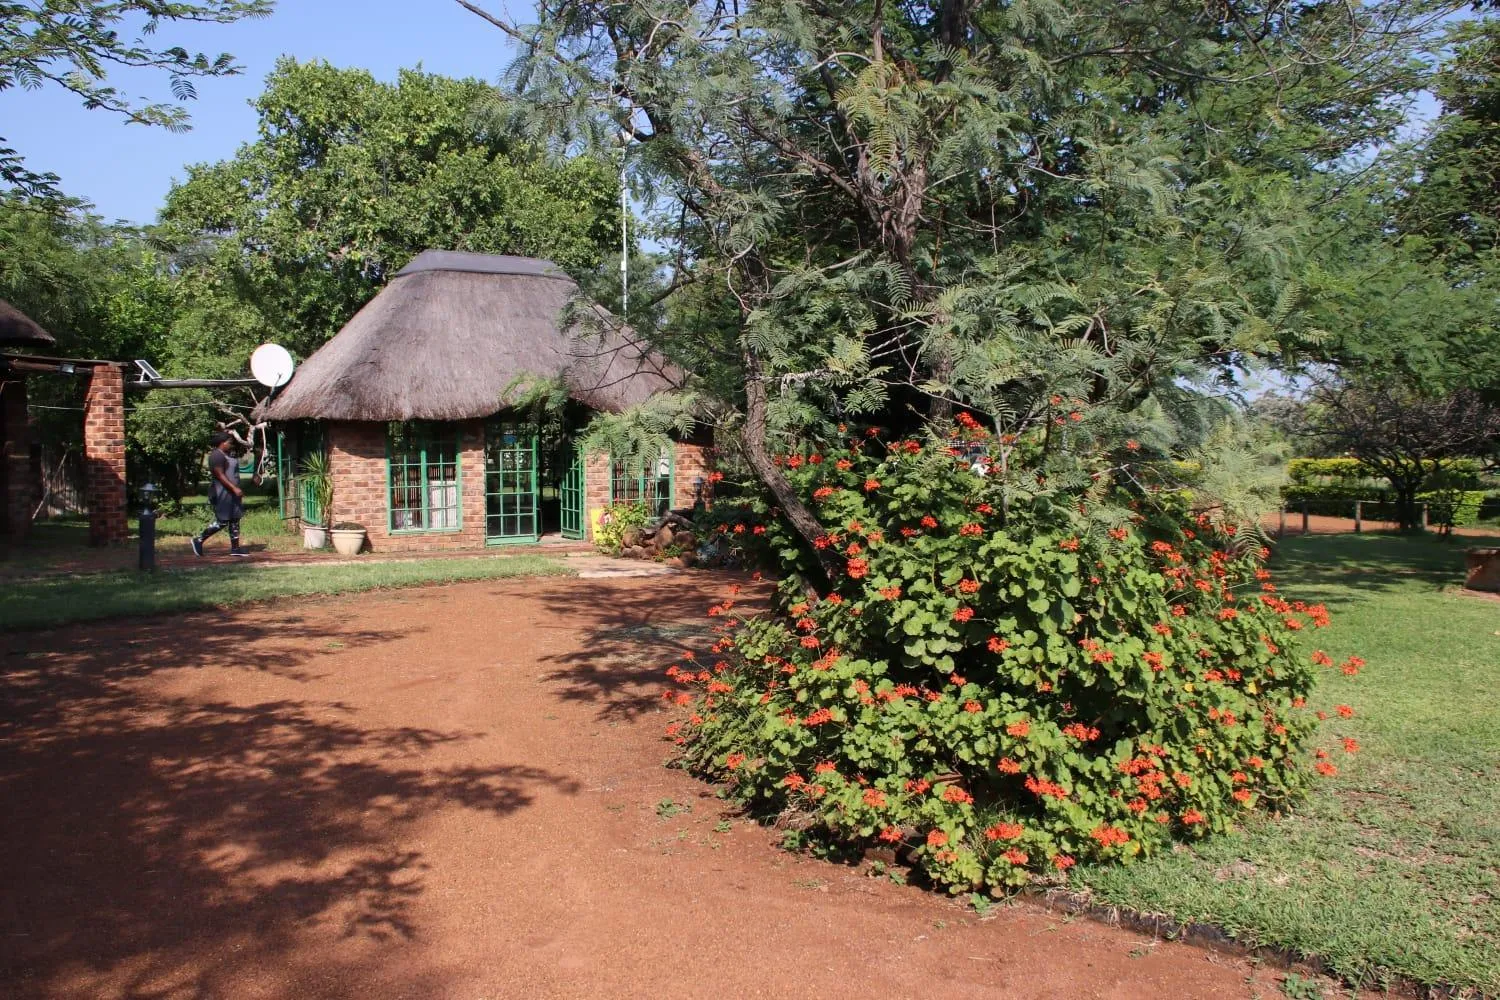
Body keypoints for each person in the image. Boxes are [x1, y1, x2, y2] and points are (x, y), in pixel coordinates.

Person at [191, 431, 249, 557]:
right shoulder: (216, 456)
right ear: (222, 443)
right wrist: (234, 488)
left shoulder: (227, 454)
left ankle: (235, 549)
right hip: (222, 493)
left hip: (232, 493)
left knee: (235, 519)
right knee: (222, 521)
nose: (231, 445)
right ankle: (199, 540)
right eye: (229, 442)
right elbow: (220, 476)